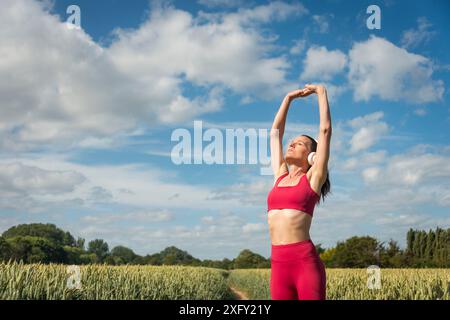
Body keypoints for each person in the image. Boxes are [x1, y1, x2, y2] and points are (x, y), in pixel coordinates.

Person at [267, 84, 332, 300]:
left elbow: (325, 131)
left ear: (312, 156)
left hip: (304, 264)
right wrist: (288, 98)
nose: (292, 144)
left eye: (300, 143)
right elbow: (275, 134)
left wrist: (321, 92)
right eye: (292, 142)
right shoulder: (280, 175)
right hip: (278, 265)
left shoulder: (313, 179)